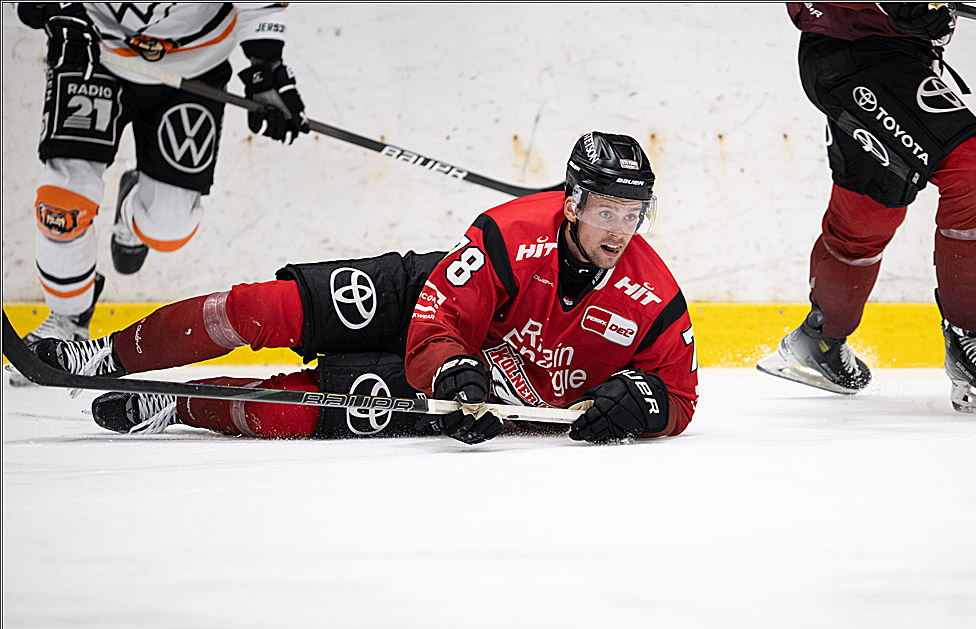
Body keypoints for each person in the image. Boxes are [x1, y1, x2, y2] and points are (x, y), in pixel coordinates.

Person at [28, 132, 699, 444]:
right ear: (573, 203)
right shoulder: (508, 233)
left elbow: (679, 397)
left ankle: (177, 407)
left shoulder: (653, 294)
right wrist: (452, 368)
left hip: (473, 389)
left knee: (285, 413)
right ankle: (107, 356)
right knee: (260, 310)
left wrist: (643, 407)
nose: (620, 228)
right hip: (430, 306)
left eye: (632, 212)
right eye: (606, 209)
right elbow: (438, 323)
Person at [758, 2, 976, 414]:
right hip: (849, 55)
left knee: (867, 211)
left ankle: (821, 338)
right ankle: (970, 337)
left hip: (901, 58)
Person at [14, 2, 310, 350]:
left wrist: (266, 69)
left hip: (194, 64)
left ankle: (131, 212)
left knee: (169, 227)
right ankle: (67, 318)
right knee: (63, 203)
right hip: (92, 47)